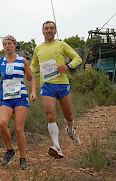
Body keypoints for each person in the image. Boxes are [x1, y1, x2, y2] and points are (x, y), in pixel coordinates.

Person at [30, 21, 82, 158]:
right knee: (51, 115)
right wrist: (25, 75)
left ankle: (70, 131)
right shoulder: (38, 48)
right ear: (42, 32)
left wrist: (68, 66)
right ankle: (56, 146)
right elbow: (33, 65)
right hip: (47, 86)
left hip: (62, 84)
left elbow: (78, 58)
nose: (49, 30)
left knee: (68, 115)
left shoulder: (61, 44)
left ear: (55, 31)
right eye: (46, 29)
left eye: (51, 28)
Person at [0, 35, 37, 170]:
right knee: (2, 123)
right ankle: (10, 150)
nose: (7, 46)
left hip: (21, 98)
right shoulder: (1, 61)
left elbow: (31, 78)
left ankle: (23, 159)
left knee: (18, 129)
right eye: (5, 44)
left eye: (10, 43)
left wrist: (33, 91)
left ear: (15, 45)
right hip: (6, 98)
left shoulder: (22, 60)